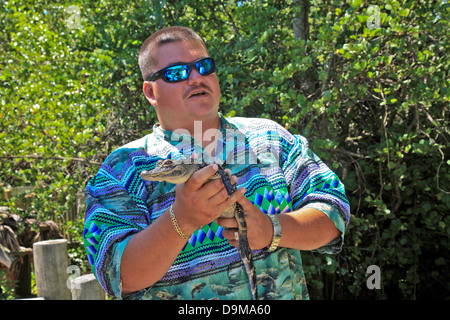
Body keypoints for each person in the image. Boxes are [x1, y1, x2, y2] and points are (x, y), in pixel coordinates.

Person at [83, 26, 350, 300]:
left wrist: (272, 229)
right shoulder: (121, 170)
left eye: (204, 66)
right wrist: (181, 221)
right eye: (177, 72)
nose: (197, 77)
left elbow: (334, 212)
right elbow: (116, 275)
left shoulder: (270, 138)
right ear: (150, 92)